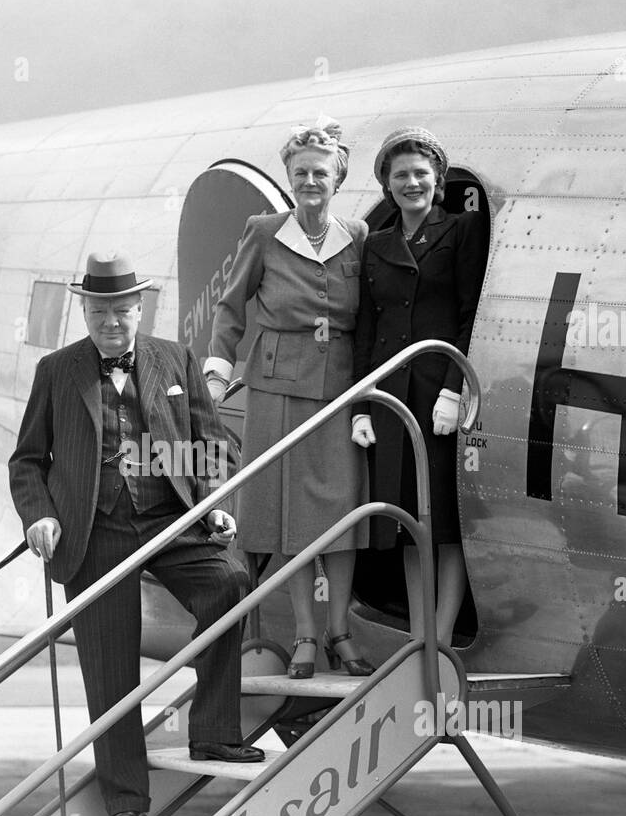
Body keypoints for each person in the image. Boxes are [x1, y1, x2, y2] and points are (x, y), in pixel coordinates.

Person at [9, 249, 262, 816]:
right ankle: (125, 797)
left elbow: (214, 443)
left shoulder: (175, 359)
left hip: (170, 518)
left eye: (122, 311)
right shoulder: (57, 371)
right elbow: (27, 461)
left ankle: (215, 731)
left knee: (228, 582)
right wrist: (40, 516)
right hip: (94, 530)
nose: (111, 323)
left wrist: (217, 503)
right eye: (100, 312)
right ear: (85, 311)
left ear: (140, 308)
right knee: (108, 662)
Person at [203, 118, 372, 680]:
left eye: (320, 172)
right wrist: (216, 374)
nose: (309, 181)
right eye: (300, 172)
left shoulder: (359, 236)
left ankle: (339, 631)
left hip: (340, 389)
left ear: (338, 178)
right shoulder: (264, 231)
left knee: (341, 514)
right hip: (276, 389)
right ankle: (304, 634)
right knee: (291, 519)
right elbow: (231, 309)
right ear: (289, 177)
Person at [352, 126, 486, 646]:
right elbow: (366, 329)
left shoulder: (460, 232)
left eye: (421, 174)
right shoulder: (376, 244)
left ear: (438, 180)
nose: (412, 183)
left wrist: (455, 389)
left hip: (436, 396)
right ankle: (420, 634)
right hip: (391, 397)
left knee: (445, 523)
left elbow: (468, 315)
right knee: (408, 521)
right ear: (387, 183)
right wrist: (360, 406)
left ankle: (442, 635)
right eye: (401, 174)